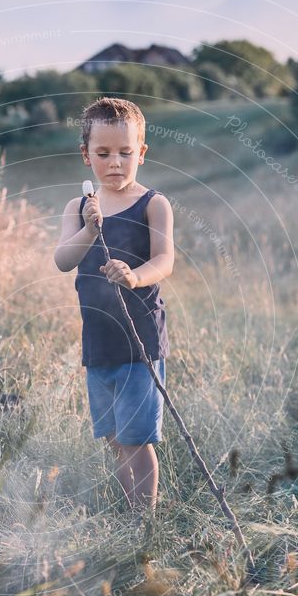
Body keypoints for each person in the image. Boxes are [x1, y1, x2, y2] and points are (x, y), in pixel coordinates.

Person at [53, 96, 175, 515]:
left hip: (139, 341)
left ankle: (145, 523)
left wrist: (136, 276)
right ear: (86, 156)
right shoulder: (79, 208)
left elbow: (165, 259)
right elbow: (63, 260)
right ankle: (130, 510)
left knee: (137, 438)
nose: (115, 163)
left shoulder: (153, 204)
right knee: (113, 435)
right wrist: (89, 228)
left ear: (141, 152)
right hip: (99, 341)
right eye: (103, 154)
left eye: (125, 153)